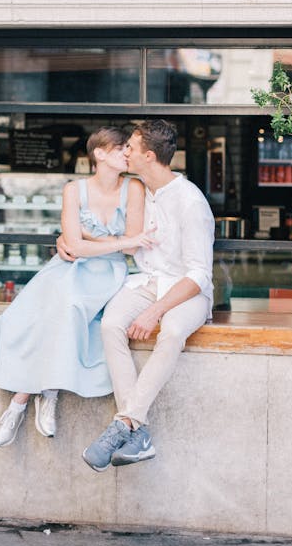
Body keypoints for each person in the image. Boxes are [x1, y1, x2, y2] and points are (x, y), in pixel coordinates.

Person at [0, 127, 152, 448]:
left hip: (108, 274)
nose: (126, 154)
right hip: (67, 268)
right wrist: (107, 241)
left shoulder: (134, 188)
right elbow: (80, 248)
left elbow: (130, 250)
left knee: (68, 307)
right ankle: (40, 394)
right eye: (120, 149)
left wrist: (86, 239)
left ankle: (23, 400)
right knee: (40, 311)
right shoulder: (74, 189)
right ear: (99, 153)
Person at [76, 119, 214, 471]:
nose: (126, 152)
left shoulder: (190, 201)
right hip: (148, 281)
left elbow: (198, 274)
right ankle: (139, 434)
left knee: (170, 332)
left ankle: (124, 423)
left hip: (187, 291)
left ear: (149, 156)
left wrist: (154, 312)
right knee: (110, 326)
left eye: (131, 148)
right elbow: (116, 234)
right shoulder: (140, 190)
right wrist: (72, 242)